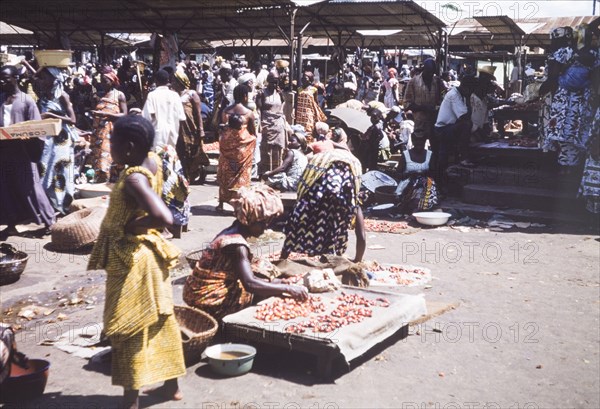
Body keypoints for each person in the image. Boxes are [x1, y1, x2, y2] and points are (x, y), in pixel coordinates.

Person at [87, 115, 185, 409]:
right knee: (161, 319)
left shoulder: (133, 178)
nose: (109, 146)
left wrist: (131, 227)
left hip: (131, 258)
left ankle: (130, 400)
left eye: (113, 142)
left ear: (128, 148)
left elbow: (163, 217)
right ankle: (171, 386)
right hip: (150, 256)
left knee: (129, 324)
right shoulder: (151, 162)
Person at [183, 184, 308, 321]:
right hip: (207, 297)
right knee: (262, 292)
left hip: (195, 290)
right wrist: (286, 289)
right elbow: (250, 283)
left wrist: (281, 282)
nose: (266, 227)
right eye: (263, 223)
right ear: (249, 220)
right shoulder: (237, 245)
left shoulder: (231, 231)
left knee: (267, 279)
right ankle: (232, 325)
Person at [281, 149, 366, 262]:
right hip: (336, 203)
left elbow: (292, 229)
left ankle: (282, 261)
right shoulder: (348, 201)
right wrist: (357, 261)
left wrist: (282, 258)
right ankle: (327, 259)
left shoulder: (311, 195)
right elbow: (361, 236)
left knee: (299, 227)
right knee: (332, 231)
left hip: (315, 198)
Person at [0, 65, 55, 238]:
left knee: (31, 187)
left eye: (5, 78)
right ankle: (11, 224)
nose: (2, 82)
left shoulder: (26, 101)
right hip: (4, 150)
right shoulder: (1, 98)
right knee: (5, 188)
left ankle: (50, 222)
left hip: (22, 151)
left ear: (16, 78)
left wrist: (27, 138)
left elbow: (37, 128)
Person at [34, 67, 78, 214]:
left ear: (54, 79)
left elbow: (72, 120)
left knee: (60, 169)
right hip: (48, 138)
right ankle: (49, 204)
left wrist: (51, 115)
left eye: (45, 78)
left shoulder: (62, 96)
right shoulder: (43, 95)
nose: (41, 81)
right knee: (47, 168)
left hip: (61, 139)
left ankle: (62, 203)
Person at [217, 84, 257, 212]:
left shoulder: (226, 111)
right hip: (242, 150)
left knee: (225, 173)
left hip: (226, 148)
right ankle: (239, 202)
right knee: (241, 175)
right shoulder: (249, 113)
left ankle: (221, 203)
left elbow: (224, 129)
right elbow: (252, 132)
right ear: (245, 97)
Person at [433, 75, 477, 188]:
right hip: (443, 129)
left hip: (450, 128)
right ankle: (463, 157)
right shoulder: (454, 95)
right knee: (466, 125)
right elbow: (464, 117)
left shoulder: (460, 95)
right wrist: (469, 101)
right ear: (466, 88)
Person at [87, 66, 127, 182]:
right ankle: (102, 185)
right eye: (102, 82)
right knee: (99, 159)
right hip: (99, 133)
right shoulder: (101, 95)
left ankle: (110, 184)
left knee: (108, 160)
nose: (103, 84)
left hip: (111, 132)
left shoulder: (119, 95)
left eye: (105, 81)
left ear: (112, 81)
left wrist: (106, 115)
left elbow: (124, 114)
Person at [171, 69, 210, 184]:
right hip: (179, 128)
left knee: (194, 152)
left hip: (190, 128)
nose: (172, 82)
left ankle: (199, 172)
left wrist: (201, 129)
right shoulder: (173, 94)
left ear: (180, 82)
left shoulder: (191, 94)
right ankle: (185, 176)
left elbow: (198, 114)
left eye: (174, 81)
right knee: (181, 151)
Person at [142, 69, 186, 150]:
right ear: (168, 80)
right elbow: (182, 118)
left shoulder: (152, 95)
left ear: (156, 81)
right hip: (172, 135)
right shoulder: (175, 95)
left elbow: (146, 117)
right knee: (170, 159)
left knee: (157, 160)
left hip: (157, 137)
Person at [403, 58, 442, 145]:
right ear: (424, 70)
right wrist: (423, 108)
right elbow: (406, 104)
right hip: (420, 122)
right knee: (419, 148)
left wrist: (438, 106)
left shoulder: (437, 81)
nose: (430, 75)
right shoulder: (413, 82)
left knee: (435, 148)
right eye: (428, 72)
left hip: (435, 122)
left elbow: (443, 97)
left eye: (432, 73)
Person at [256, 71, 288, 174]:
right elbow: (259, 110)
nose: (274, 84)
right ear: (268, 81)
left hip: (278, 125)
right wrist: (260, 125)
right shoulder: (262, 93)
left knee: (277, 150)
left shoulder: (279, 93)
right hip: (267, 124)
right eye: (272, 82)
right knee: (266, 149)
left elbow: (282, 106)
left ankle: (275, 172)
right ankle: (265, 173)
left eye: (276, 82)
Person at [395, 136, 439, 213]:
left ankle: (423, 207)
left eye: (421, 141)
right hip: (408, 184)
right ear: (412, 141)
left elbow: (435, 173)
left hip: (426, 184)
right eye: (416, 141)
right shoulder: (405, 154)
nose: (419, 143)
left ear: (425, 141)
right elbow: (398, 174)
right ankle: (411, 206)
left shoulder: (430, 154)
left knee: (425, 184)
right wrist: (410, 174)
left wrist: (424, 173)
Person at [295, 71, 327, 139]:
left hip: (308, 112)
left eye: (305, 77)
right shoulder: (299, 89)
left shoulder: (314, 89)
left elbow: (315, 102)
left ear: (310, 79)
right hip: (299, 113)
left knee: (308, 128)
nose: (303, 79)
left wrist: (317, 113)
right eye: (302, 77)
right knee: (299, 129)